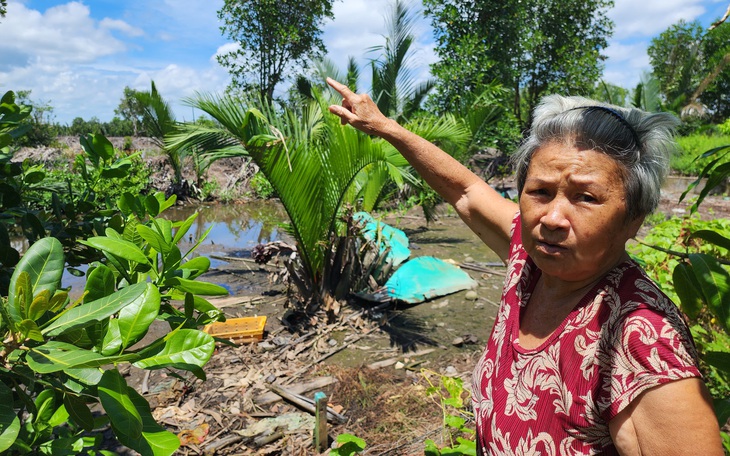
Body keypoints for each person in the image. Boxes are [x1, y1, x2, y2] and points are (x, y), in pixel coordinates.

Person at [326, 77, 724, 455]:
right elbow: (466, 190)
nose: (552, 217)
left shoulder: (640, 339)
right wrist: (386, 128)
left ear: (633, 217)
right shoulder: (530, 256)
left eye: (585, 197)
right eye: (540, 192)